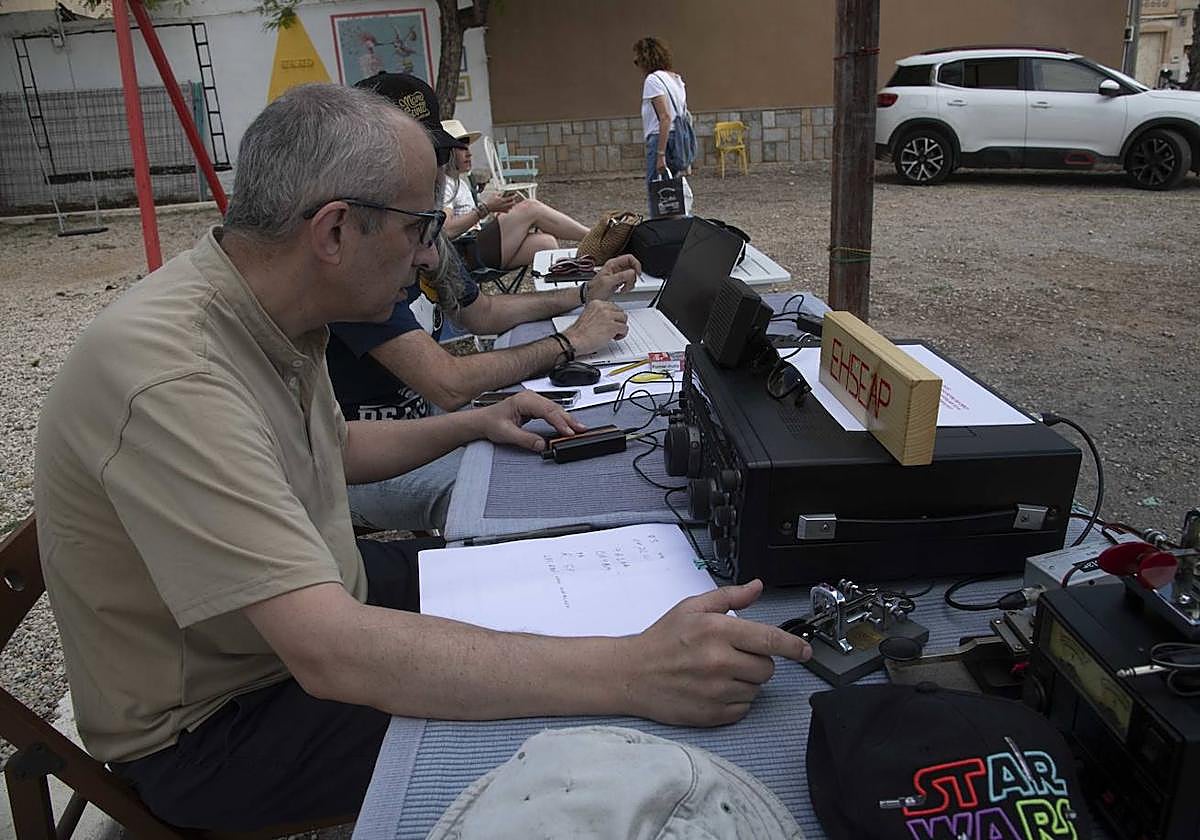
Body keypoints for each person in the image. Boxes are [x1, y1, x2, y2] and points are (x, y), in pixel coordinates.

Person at [33, 82, 812, 832]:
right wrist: (630, 673)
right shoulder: (177, 378)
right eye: (419, 229)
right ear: (334, 231)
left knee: (530, 572)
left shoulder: (261, 306)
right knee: (586, 726)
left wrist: (471, 424)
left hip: (295, 621)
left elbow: (325, 448)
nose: (430, 256)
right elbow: (334, 653)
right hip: (214, 726)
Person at [329, 73, 635, 532]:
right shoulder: (357, 258)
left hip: (418, 428)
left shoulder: (421, 226)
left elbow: (481, 314)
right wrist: (568, 342)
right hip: (358, 466)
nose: (431, 169)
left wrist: (580, 294)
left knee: (554, 439)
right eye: (409, 157)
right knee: (515, 488)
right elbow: (448, 384)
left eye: (434, 153)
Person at [439, 117, 591, 270]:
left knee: (546, 243)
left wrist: (496, 210)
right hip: (464, 255)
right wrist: (485, 209)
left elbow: (470, 219)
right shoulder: (444, 184)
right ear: (447, 152)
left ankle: (585, 264)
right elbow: (447, 230)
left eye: (468, 147)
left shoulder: (460, 182)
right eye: (462, 148)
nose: (469, 154)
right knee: (530, 207)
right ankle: (594, 237)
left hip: (478, 249)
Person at [633, 36, 692, 212]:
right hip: (677, 140)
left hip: (661, 139)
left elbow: (665, 116)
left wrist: (660, 154)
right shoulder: (676, 80)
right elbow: (683, 115)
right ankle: (676, 229)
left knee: (657, 193)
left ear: (646, 59)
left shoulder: (652, 81)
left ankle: (659, 233)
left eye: (638, 60)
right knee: (673, 194)